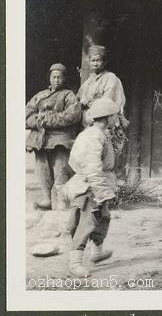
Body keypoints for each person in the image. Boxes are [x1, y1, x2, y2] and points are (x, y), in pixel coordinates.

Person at [62, 98, 121, 277]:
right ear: (108, 118)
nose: (116, 119)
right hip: (89, 187)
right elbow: (92, 166)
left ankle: (97, 252)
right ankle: (75, 262)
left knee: (102, 218)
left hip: (97, 182)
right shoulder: (93, 136)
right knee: (86, 223)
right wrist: (100, 190)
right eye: (115, 116)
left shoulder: (100, 134)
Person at [25, 63, 82, 210]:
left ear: (64, 79)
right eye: (54, 77)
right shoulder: (40, 96)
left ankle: (61, 199)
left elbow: (73, 115)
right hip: (40, 137)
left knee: (60, 168)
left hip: (60, 136)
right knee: (42, 167)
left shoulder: (69, 95)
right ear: (49, 78)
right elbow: (27, 115)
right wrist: (38, 120)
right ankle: (46, 198)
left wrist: (47, 120)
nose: (56, 80)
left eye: (59, 77)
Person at [77, 45, 128, 154]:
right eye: (93, 60)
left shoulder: (110, 78)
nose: (95, 63)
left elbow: (106, 104)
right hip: (88, 125)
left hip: (104, 124)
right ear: (89, 62)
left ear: (104, 62)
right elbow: (78, 99)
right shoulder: (88, 81)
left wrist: (89, 102)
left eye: (98, 60)